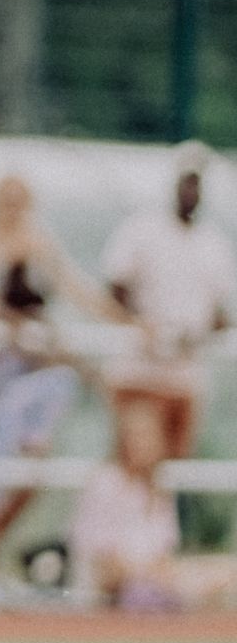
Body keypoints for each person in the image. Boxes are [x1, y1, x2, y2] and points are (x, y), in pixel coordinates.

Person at [0, 174, 114, 577]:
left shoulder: (40, 243)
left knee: (21, 468)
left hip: (20, 376)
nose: (12, 207)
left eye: (20, 199)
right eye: (6, 198)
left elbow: (77, 292)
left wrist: (128, 322)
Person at [100, 142, 237, 464]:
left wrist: (201, 332)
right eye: (186, 181)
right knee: (133, 465)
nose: (191, 190)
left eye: (197, 182)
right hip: (140, 368)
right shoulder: (141, 229)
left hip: (185, 375)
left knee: (172, 467)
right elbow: (115, 288)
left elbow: (219, 309)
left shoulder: (213, 243)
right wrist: (142, 325)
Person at [73, 389, 237, 611]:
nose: (143, 444)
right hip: (121, 591)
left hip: (157, 579)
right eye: (137, 436)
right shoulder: (106, 483)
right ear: (123, 439)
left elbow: (164, 556)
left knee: (226, 572)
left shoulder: (158, 488)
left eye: (149, 435)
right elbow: (104, 567)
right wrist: (158, 576)